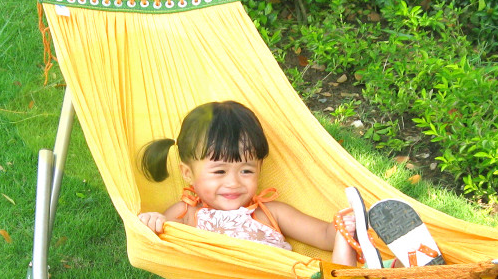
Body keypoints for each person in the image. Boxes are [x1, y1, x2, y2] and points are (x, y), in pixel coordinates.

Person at [137, 101, 358, 264]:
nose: (233, 182)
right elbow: (156, 240)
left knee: (340, 248)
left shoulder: (270, 212)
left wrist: (343, 228)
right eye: (220, 171)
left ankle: (359, 275)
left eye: (246, 170)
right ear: (187, 173)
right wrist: (153, 221)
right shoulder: (185, 213)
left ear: (259, 168)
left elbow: (324, 235)